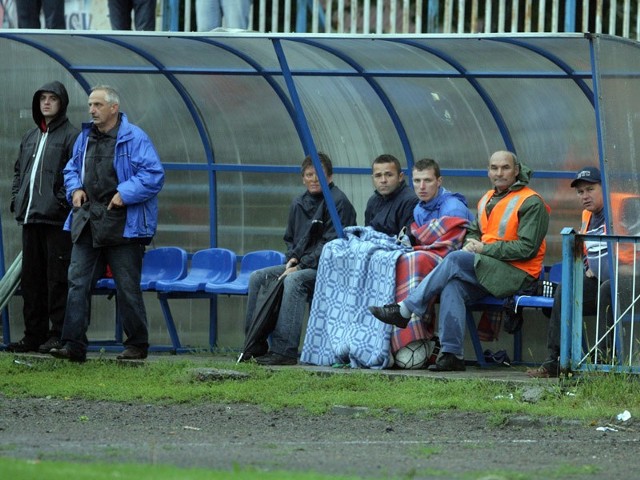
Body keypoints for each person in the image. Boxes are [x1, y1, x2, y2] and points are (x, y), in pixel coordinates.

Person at [369, 150, 550, 371]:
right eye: (494, 168)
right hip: (489, 271)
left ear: (517, 170)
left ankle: (405, 309)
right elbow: (474, 230)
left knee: (454, 260)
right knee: (452, 286)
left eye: (505, 168)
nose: (499, 173)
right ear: (488, 171)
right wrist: (470, 243)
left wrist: (483, 248)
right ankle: (451, 354)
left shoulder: (531, 202)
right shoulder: (487, 199)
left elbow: (527, 248)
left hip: (519, 275)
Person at [300, 157, 473, 368]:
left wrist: (412, 240)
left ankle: (405, 329)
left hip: (465, 266)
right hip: (441, 265)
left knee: (410, 262)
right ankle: (360, 338)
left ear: (439, 181)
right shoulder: (417, 206)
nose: (421, 186)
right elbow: (413, 237)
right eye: (417, 181)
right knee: (366, 259)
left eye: (427, 180)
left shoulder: (450, 206)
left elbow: (448, 245)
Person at [50, 85, 164, 362]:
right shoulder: (84, 138)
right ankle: (73, 345)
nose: (92, 110)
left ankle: (137, 345)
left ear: (114, 108)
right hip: (88, 220)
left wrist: (124, 194)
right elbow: (71, 169)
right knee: (77, 282)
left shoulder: (135, 138)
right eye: (90, 105)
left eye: (98, 105)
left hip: (123, 224)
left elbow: (153, 174)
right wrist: (75, 188)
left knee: (127, 285)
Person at [244, 152, 357, 366]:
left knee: (294, 281)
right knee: (258, 277)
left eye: (319, 175)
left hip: (329, 268)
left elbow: (332, 245)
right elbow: (291, 239)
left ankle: (284, 350)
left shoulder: (338, 202)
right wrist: (292, 259)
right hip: (301, 264)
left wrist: (302, 265)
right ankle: (254, 342)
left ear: (330, 177)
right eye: (309, 174)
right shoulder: (298, 203)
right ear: (302, 178)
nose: (314, 179)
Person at [7, 81, 79, 354]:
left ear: (62, 103)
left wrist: (60, 202)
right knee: (32, 280)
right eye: (42, 99)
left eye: (52, 99)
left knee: (57, 279)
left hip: (56, 221)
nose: (46, 103)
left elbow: (75, 173)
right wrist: (17, 199)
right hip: (30, 218)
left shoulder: (71, 136)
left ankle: (57, 334)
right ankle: (32, 335)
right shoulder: (30, 136)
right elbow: (18, 173)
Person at [527, 167, 610, 378]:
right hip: (599, 279)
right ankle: (555, 360)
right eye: (580, 192)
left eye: (590, 189)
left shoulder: (620, 210)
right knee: (566, 289)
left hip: (628, 281)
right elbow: (584, 249)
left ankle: (604, 361)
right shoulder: (587, 216)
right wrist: (587, 267)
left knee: (609, 289)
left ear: (606, 186)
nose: (585, 196)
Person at [364, 154, 418, 236]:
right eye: (378, 176)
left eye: (389, 175)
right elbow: (366, 233)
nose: (383, 180)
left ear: (400, 177)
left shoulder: (410, 201)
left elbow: (405, 238)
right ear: (372, 178)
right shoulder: (373, 200)